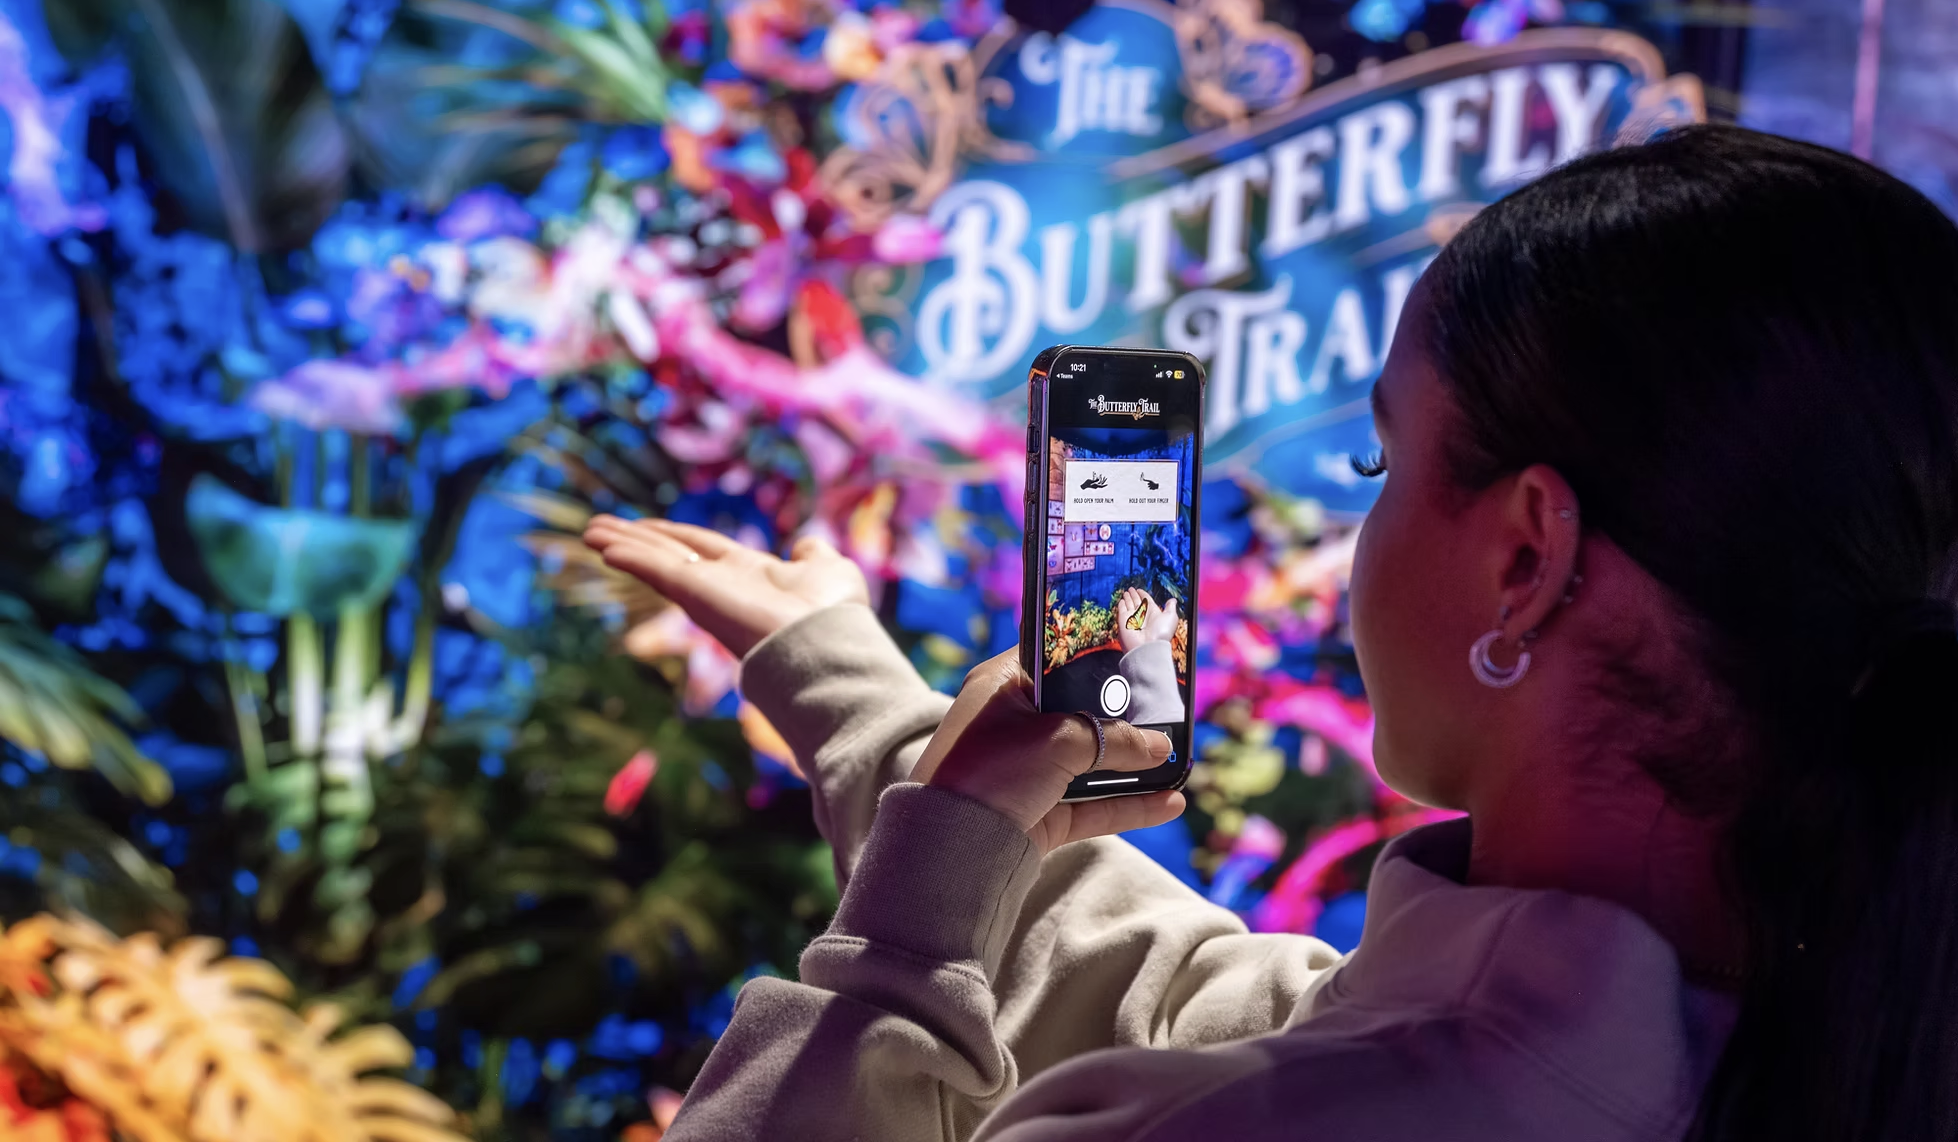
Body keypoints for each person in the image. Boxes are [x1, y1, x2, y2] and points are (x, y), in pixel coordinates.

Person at [582, 124, 1958, 1142]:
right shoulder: (1789, 1022)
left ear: (1525, 557)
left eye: (1381, 467)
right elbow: (1217, 1004)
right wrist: (855, 691)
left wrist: (909, 911)